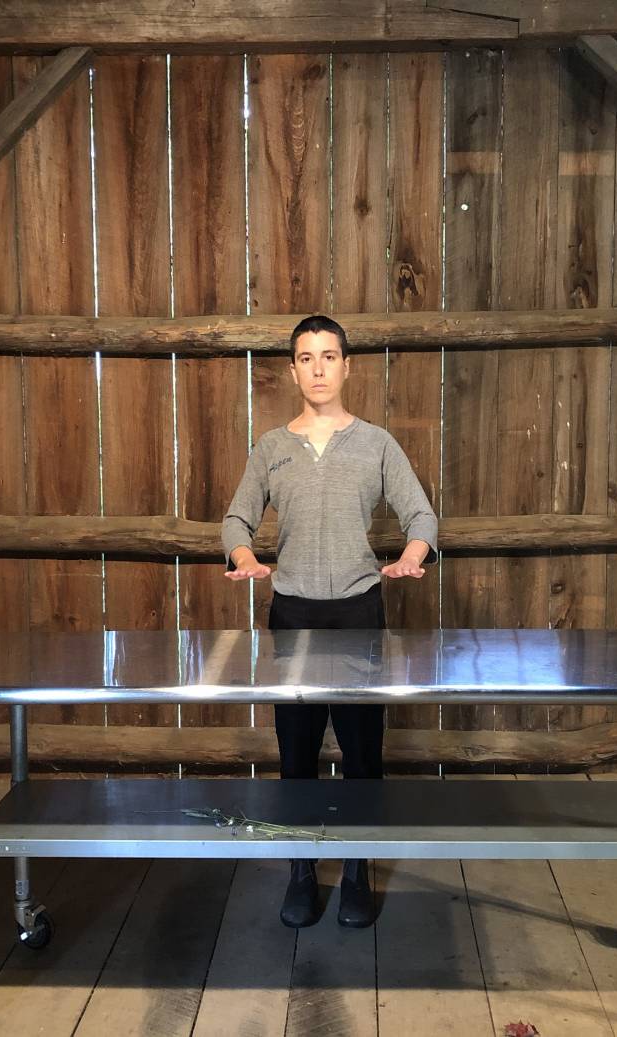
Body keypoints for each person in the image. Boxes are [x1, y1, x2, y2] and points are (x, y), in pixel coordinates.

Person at [221, 314, 438, 929]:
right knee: (297, 751)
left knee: (363, 749)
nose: (318, 368)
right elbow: (235, 521)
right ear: (292, 370)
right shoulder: (271, 446)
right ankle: (300, 871)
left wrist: (411, 558)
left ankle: (358, 870)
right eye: (306, 357)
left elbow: (421, 515)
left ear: (347, 366)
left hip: (358, 612)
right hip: (291, 614)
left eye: (329, 356)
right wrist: (245, 558)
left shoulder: (375, 443)